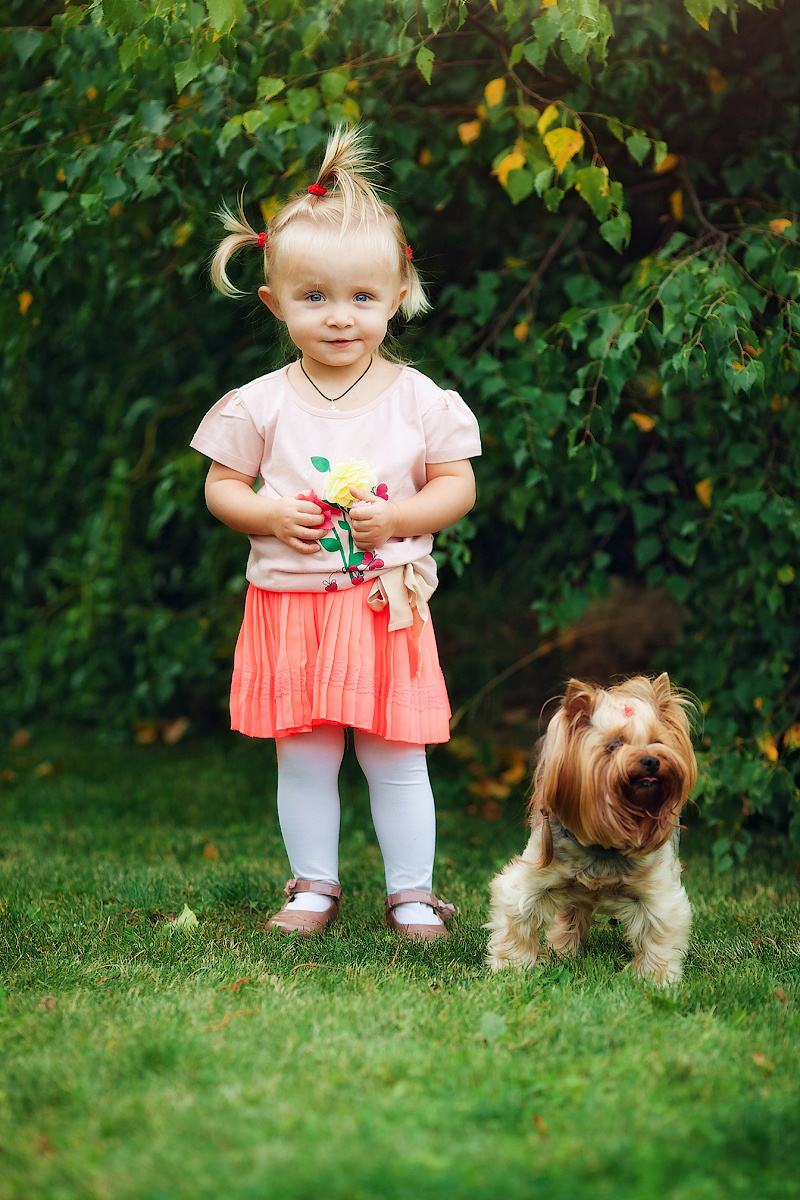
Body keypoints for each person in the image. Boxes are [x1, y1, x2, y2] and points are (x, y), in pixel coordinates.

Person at [191, 125, 480, 940]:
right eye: (314, 298)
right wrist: (267, 513)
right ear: (276, 303)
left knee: (396, 753)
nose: (341, 318)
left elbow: (457, 485)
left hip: (383, 604)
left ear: (397, 295)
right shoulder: (261, 402)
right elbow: (221, 486)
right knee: (306, 754)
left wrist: (401, 517)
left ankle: (413, 893)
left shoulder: (420, 400)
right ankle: (313, 886)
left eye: (362, 298)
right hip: (293, 604)